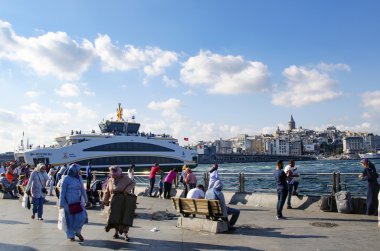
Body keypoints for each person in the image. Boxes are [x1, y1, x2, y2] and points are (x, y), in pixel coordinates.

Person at [102, 165, 136, 241]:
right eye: (111, 173)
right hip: (113, 202)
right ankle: (116, 232)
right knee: (114, 217)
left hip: (124, 201)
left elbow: (133, 183)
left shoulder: (125, 178)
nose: (112, 174)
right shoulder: (110, 180)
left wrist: (126, 190)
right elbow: (107, 191)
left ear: (118, 172)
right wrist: (104, 201)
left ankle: (125, 234)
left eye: (114, 172)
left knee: (124, 217)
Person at [59, 164, 88, 241]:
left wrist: (86, 199)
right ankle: (71, 235)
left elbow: (82, 189)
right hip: (68, 202)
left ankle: (77, 231)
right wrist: (61, 204)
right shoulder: (65, 179)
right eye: (78, 170)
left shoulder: (79, 178)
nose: (80, 171)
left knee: (82, 217)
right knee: (70, 220)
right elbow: (62, 192)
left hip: (78, 201)